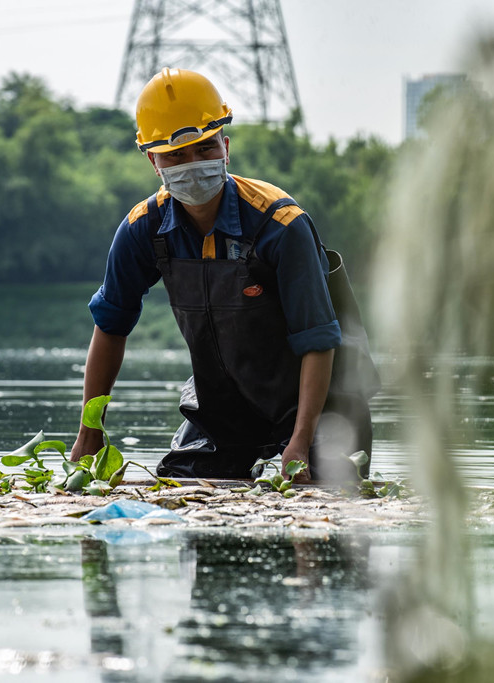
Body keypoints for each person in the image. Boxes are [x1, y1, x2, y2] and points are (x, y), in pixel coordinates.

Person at [70, 68, 374, 483]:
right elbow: (111, 325)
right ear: (154, 161)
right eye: (176, 155)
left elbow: (318, 339)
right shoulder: (143, 228)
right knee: (185, 486)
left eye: (205, 148)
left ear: (225, 148)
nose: (193, 164)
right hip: (224, 404)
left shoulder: (281, 224)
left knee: (323, 493)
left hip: (321, 402)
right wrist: (90, 432)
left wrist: (300, 442)